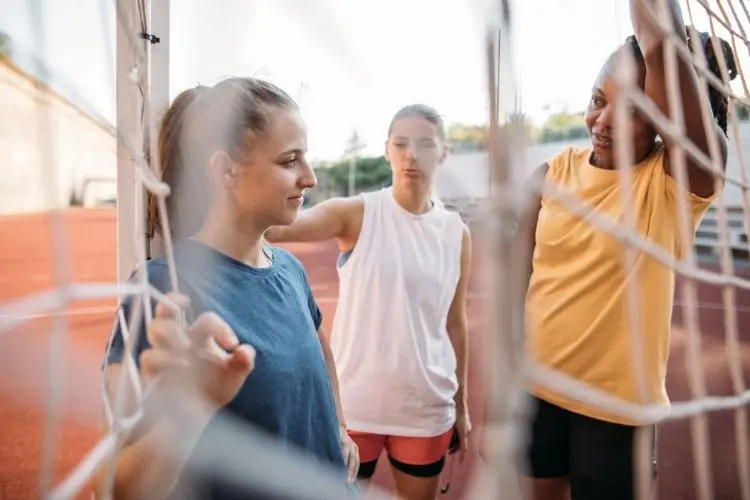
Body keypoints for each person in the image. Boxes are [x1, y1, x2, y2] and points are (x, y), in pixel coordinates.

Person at [97, 77, 359, 500]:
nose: (309, 177)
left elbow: (318, 345)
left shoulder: (288, 268)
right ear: (225, 170)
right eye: (290, 160)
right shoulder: (163, 288)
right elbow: (119, 488)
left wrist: (339, 428)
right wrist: (192, 406)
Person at [518, 1, 738, 499]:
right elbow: (517, 287)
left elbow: (661, 45)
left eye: (633, 110)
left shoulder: (676, 183)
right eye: (598, 99)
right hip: (536, 391)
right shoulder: (549, 175)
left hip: (616, 410)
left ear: (663, 116)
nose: (603, 120)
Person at [265, 104, 472, 500]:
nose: (412, 155)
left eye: (425, 144)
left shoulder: (456, 233)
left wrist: (461, 406)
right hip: (353, 405)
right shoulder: (357, 213)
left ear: (443, 152)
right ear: (387, 151)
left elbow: (455, 323)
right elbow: (274, 228)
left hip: (425, 406)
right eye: (401, 144)